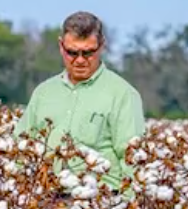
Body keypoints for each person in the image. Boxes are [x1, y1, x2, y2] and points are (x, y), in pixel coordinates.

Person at [12, 11, 145, 194]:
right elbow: (21, 148)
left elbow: (132, 160)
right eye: (72, 53)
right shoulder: (43, 93)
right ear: (61, 46)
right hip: (46, 202)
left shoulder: (123, 94)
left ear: (102, 46)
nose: (80, 60)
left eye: (88, 52)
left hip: (101, 204)